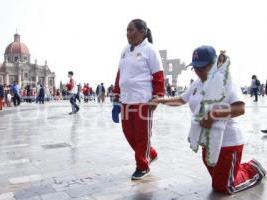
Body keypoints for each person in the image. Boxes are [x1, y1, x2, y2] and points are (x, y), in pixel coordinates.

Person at [154, 45, 266, 194]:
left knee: (224, 187)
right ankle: (235, 169)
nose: (199, 72)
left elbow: (240, 109)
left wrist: (213, 115)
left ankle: (254, 168)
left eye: (202, 68)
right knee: (219, 179)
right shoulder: (197, 83)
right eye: (195, 68)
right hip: (207, 141)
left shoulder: (225, 81)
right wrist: (160, 100)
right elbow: (181, 99)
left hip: (228, 142)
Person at [112, 19, 165, 180]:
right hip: (126, 100)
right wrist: (116, 98)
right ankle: (151, 153)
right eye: (126, 30)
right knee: (128, 133)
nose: (127, 33)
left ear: (142, 32)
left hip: (143, 99)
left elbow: (158, 76)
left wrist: (157, 97)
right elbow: (120, 74)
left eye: (131, 30)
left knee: (142, 135)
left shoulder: (150, 50)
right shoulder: (125, 50)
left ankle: (142, 165)